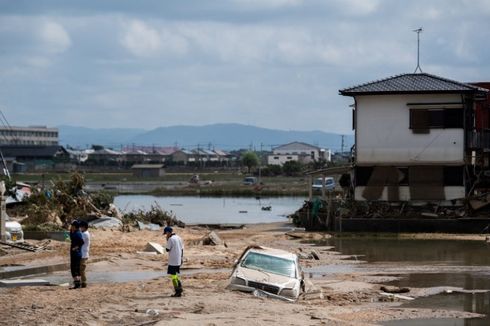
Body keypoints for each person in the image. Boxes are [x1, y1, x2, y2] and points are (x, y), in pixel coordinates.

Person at [163, 226, 184, 297]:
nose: (166, 235)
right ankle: (180, 288)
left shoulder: (170, 239)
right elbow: (182, 249)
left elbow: (167, 249)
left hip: (172, 260)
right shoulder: (179, 237)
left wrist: (167, 240)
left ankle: (178, 291)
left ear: (168, 232)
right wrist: (181, 258)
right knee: (175, 275)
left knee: (173, 276)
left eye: (166, 233)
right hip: (178, 259)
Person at [69, 220, 84, 289]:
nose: (71, 227)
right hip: (74, 253)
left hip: (76, 253)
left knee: (74, 269)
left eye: (72, 226)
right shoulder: (74, 232)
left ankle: (77, 283)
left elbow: (81, 242)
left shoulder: (78, 233)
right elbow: (71, 237)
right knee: (76, 268)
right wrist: (71, 231)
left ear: (75, 226)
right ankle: (78, 283)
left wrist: (75, 248)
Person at [79, 220, 91, 288]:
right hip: (83, 254)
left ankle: (84, 283)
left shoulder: (85, 234)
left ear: (84, 227)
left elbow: (80, 242)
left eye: (81, 227)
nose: (80, 228)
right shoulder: (84, 233)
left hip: (83, 254)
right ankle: (82, 282)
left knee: (82, 270)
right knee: (80, 269)